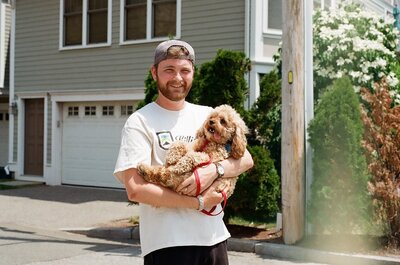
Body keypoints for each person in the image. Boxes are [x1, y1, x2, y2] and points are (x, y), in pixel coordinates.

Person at [114, 39, 254, 265]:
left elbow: (246, 159)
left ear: (192, 74)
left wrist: (214, 170)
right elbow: (136, 189)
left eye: (184, 70)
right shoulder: (140, 121)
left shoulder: (208, 114)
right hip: (168, 245)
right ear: (154, 73)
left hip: (214, 239)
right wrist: (199, 202)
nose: (177, 78)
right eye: (169, 70)